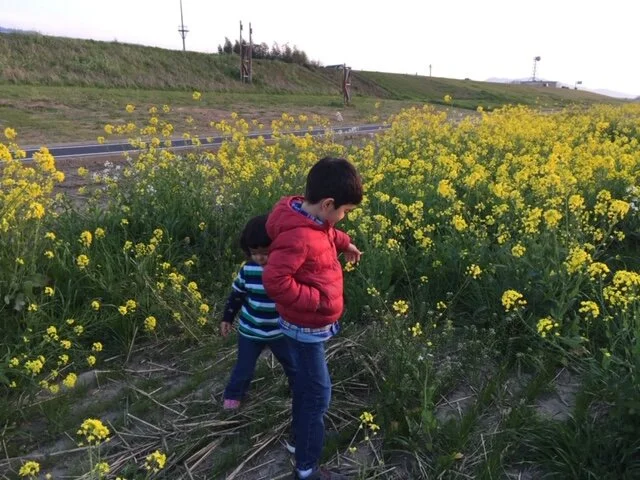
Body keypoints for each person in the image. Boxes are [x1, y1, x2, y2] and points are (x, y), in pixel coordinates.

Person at [263, 157, 363, 480]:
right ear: (328, 204)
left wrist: (346, 243)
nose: (344, 217)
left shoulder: (312, 220)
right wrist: (316, 301)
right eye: (345, 211)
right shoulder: (299, 236)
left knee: (306, 388)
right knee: (318, 395)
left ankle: (299, 439)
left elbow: (327, 235)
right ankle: (307, 470)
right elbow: (275, 281)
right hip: (304, 328)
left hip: (306, 326)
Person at [220, 214, 297, 410]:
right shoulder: (248, 270)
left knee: (293, 364)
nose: (259, 258)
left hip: (280, 330)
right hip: (250, 330)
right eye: (254, 253)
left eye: (265, 252)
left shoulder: (287, 269)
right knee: (244, 367)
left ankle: (299, 391)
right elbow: (236, 296)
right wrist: (227, 318)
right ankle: (233, 395)